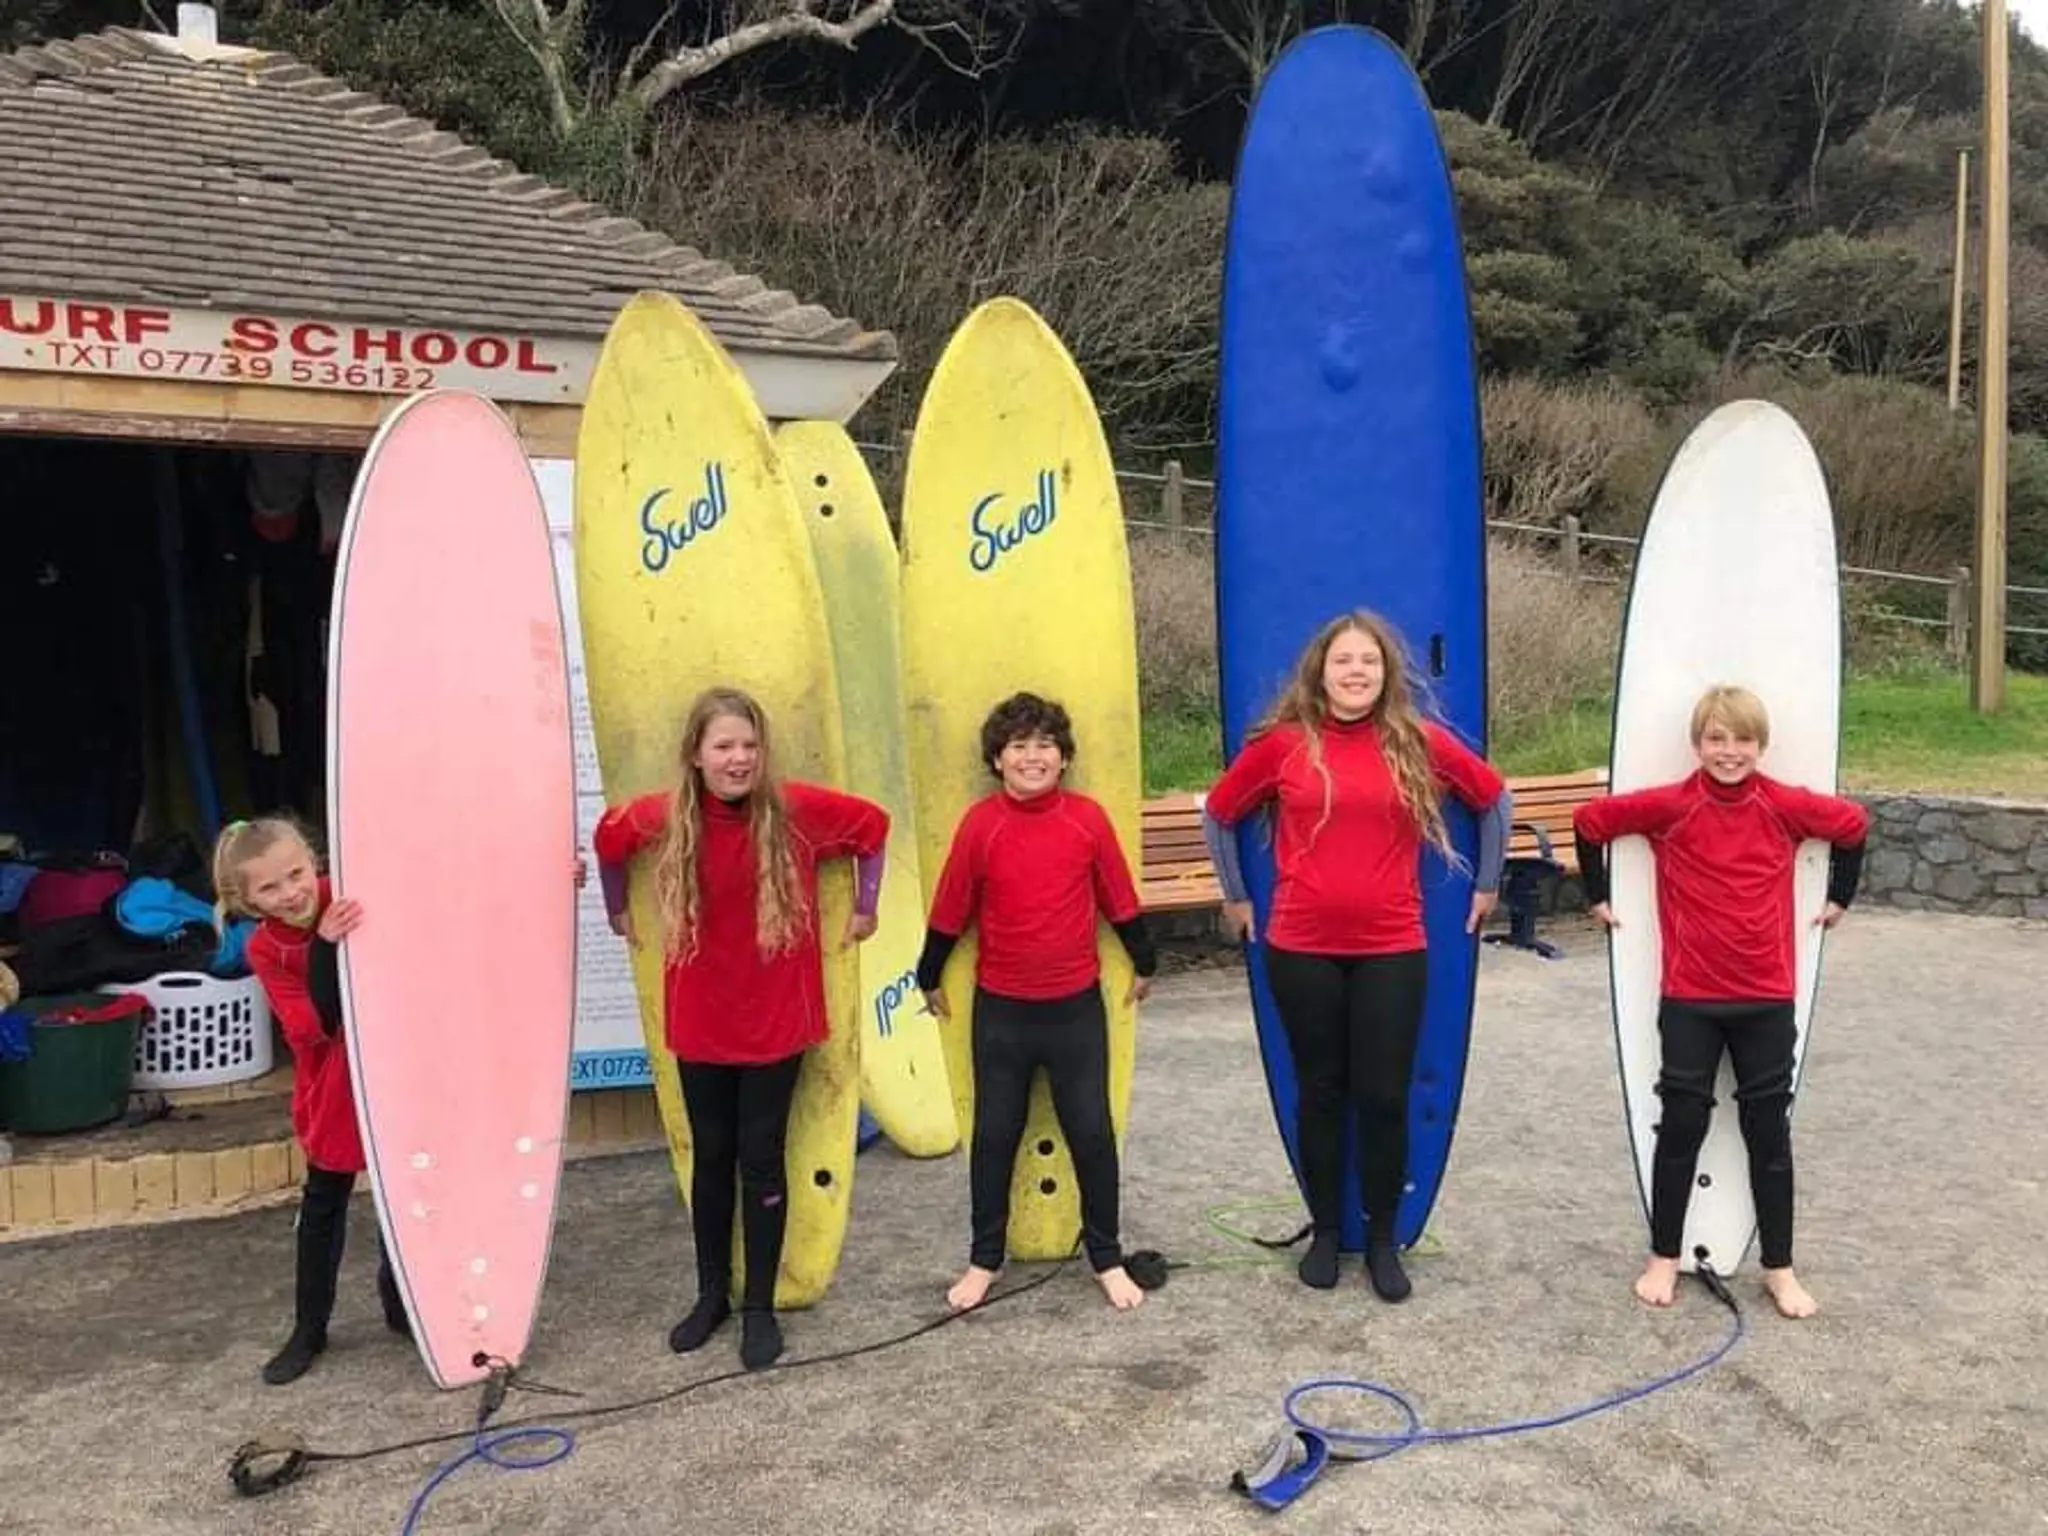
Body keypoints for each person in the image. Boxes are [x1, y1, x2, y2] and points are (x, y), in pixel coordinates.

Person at [1201, 611, 1510, 1300]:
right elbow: (1219, 813)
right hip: (1300, 946)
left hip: (1391, 948)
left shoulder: (1417, 742)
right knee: (1320, 1092)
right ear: (1321, 671)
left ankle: (1380, 1241)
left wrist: (1488, 884)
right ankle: (1326, 1233)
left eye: (1367, 661)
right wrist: (1236, 896)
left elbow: (1493, 799)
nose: (1355, 672)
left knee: (1381, 1097)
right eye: (1343, 661)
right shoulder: (1285, 747)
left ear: (1385, 671)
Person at [595, 687, 887, 1370]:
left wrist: (866, 909)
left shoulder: (797, 811)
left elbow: (873, 827)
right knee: (711, 1155)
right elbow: (608, 840)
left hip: (776, 1020)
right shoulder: (667, 817)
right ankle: (710, 1296)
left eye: (749, 746)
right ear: (695, 755)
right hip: (700, 1015)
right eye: (724, 746)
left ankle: (759, 1306)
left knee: (761, 1158)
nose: (739, 758)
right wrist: (616, 911)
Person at [1572, 683, 1868, 1320]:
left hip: (1765, 996)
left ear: (1760, 745)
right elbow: (1590, 823)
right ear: (1698, 743)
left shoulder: (1782, 805)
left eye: (1742, 740)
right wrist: (1596, 897)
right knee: (1681, 1126)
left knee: (1769, 1132)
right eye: (1716, 739)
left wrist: (1841, 897)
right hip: (1690, 998)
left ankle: (1780, 1269)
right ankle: (1662, 1258)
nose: (1729, 752)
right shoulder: (1673, 806)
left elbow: (1852, 827)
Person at [916, 692, 1157, 1314]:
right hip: (1002, 1013)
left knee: (1092, 1135)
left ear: (1064, 757)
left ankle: (1106, 1256)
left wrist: (1145, 959)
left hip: (1075, 1010)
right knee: (995, 1136)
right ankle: (984, 1259)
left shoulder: (1086, 819)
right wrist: (929, 972)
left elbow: (1119, 897)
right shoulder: (981, 823)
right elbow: (951, 905)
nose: (1032, 756)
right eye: (1018, 746)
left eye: (1044, 744)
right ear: (997, 759)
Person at [214, 816, 407, 1386]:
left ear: (314, 861)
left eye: (297, 874)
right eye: (269, 888)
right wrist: (324, 945)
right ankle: (309, 1328)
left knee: (406, 1192)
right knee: (324, 1204)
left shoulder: (351, 888)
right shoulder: (265, 948)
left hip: (393, 1066)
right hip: (333, 1081)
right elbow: (318, 1023)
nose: (292, 892)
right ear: (246, 900)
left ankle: (403, 1299)